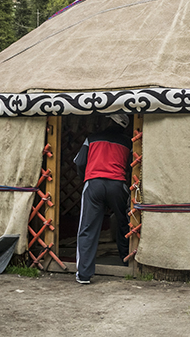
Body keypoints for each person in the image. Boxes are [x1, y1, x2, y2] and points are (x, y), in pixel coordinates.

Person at [74, 113, 132, 284]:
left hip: (94, 184)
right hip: (117, 185)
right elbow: (132, 167)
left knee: (87, 227)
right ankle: (126, 260)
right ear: (124, 126)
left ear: (109, 121)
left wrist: (86, 178)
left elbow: (79, 162)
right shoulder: (128, 142)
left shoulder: (91, 138)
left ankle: (84, 274)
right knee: (124, 222)